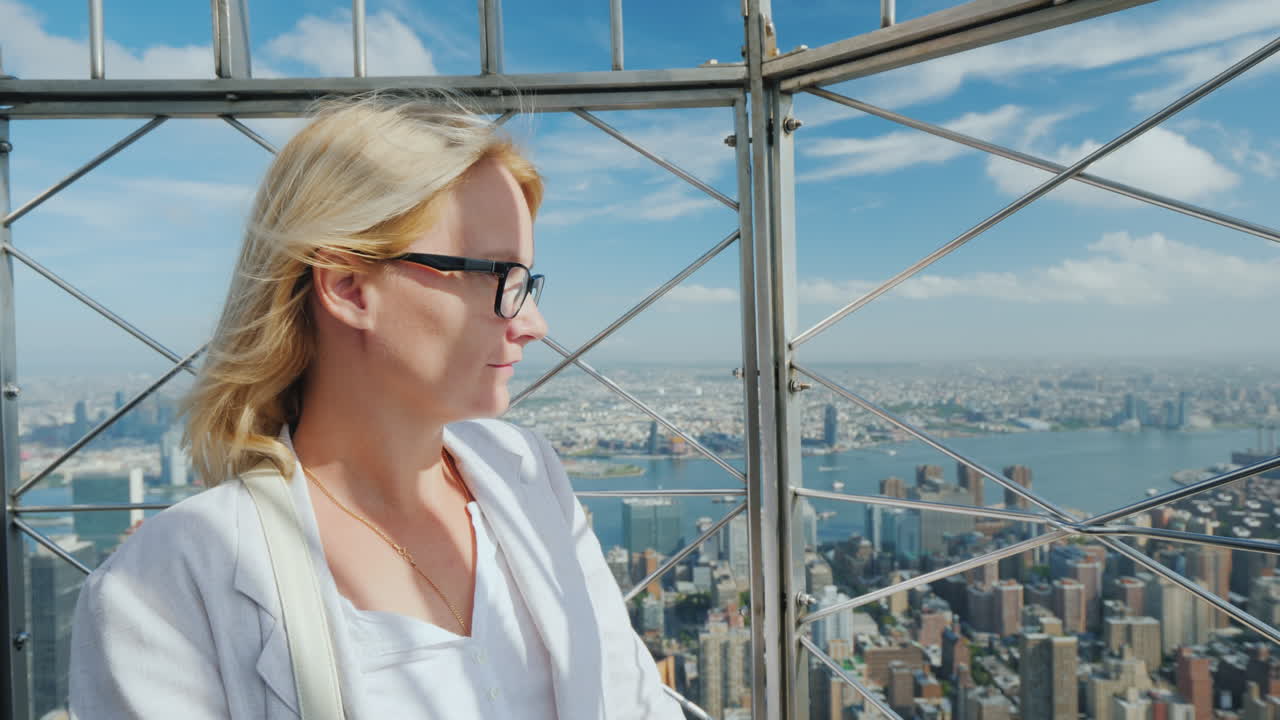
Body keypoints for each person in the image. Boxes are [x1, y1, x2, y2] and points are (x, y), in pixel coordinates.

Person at [69, 94, 683, 719]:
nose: (534, 324)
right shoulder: (165, 585)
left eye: (526, 281)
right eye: (497, 276)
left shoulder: (528, 473)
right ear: (349, 287)